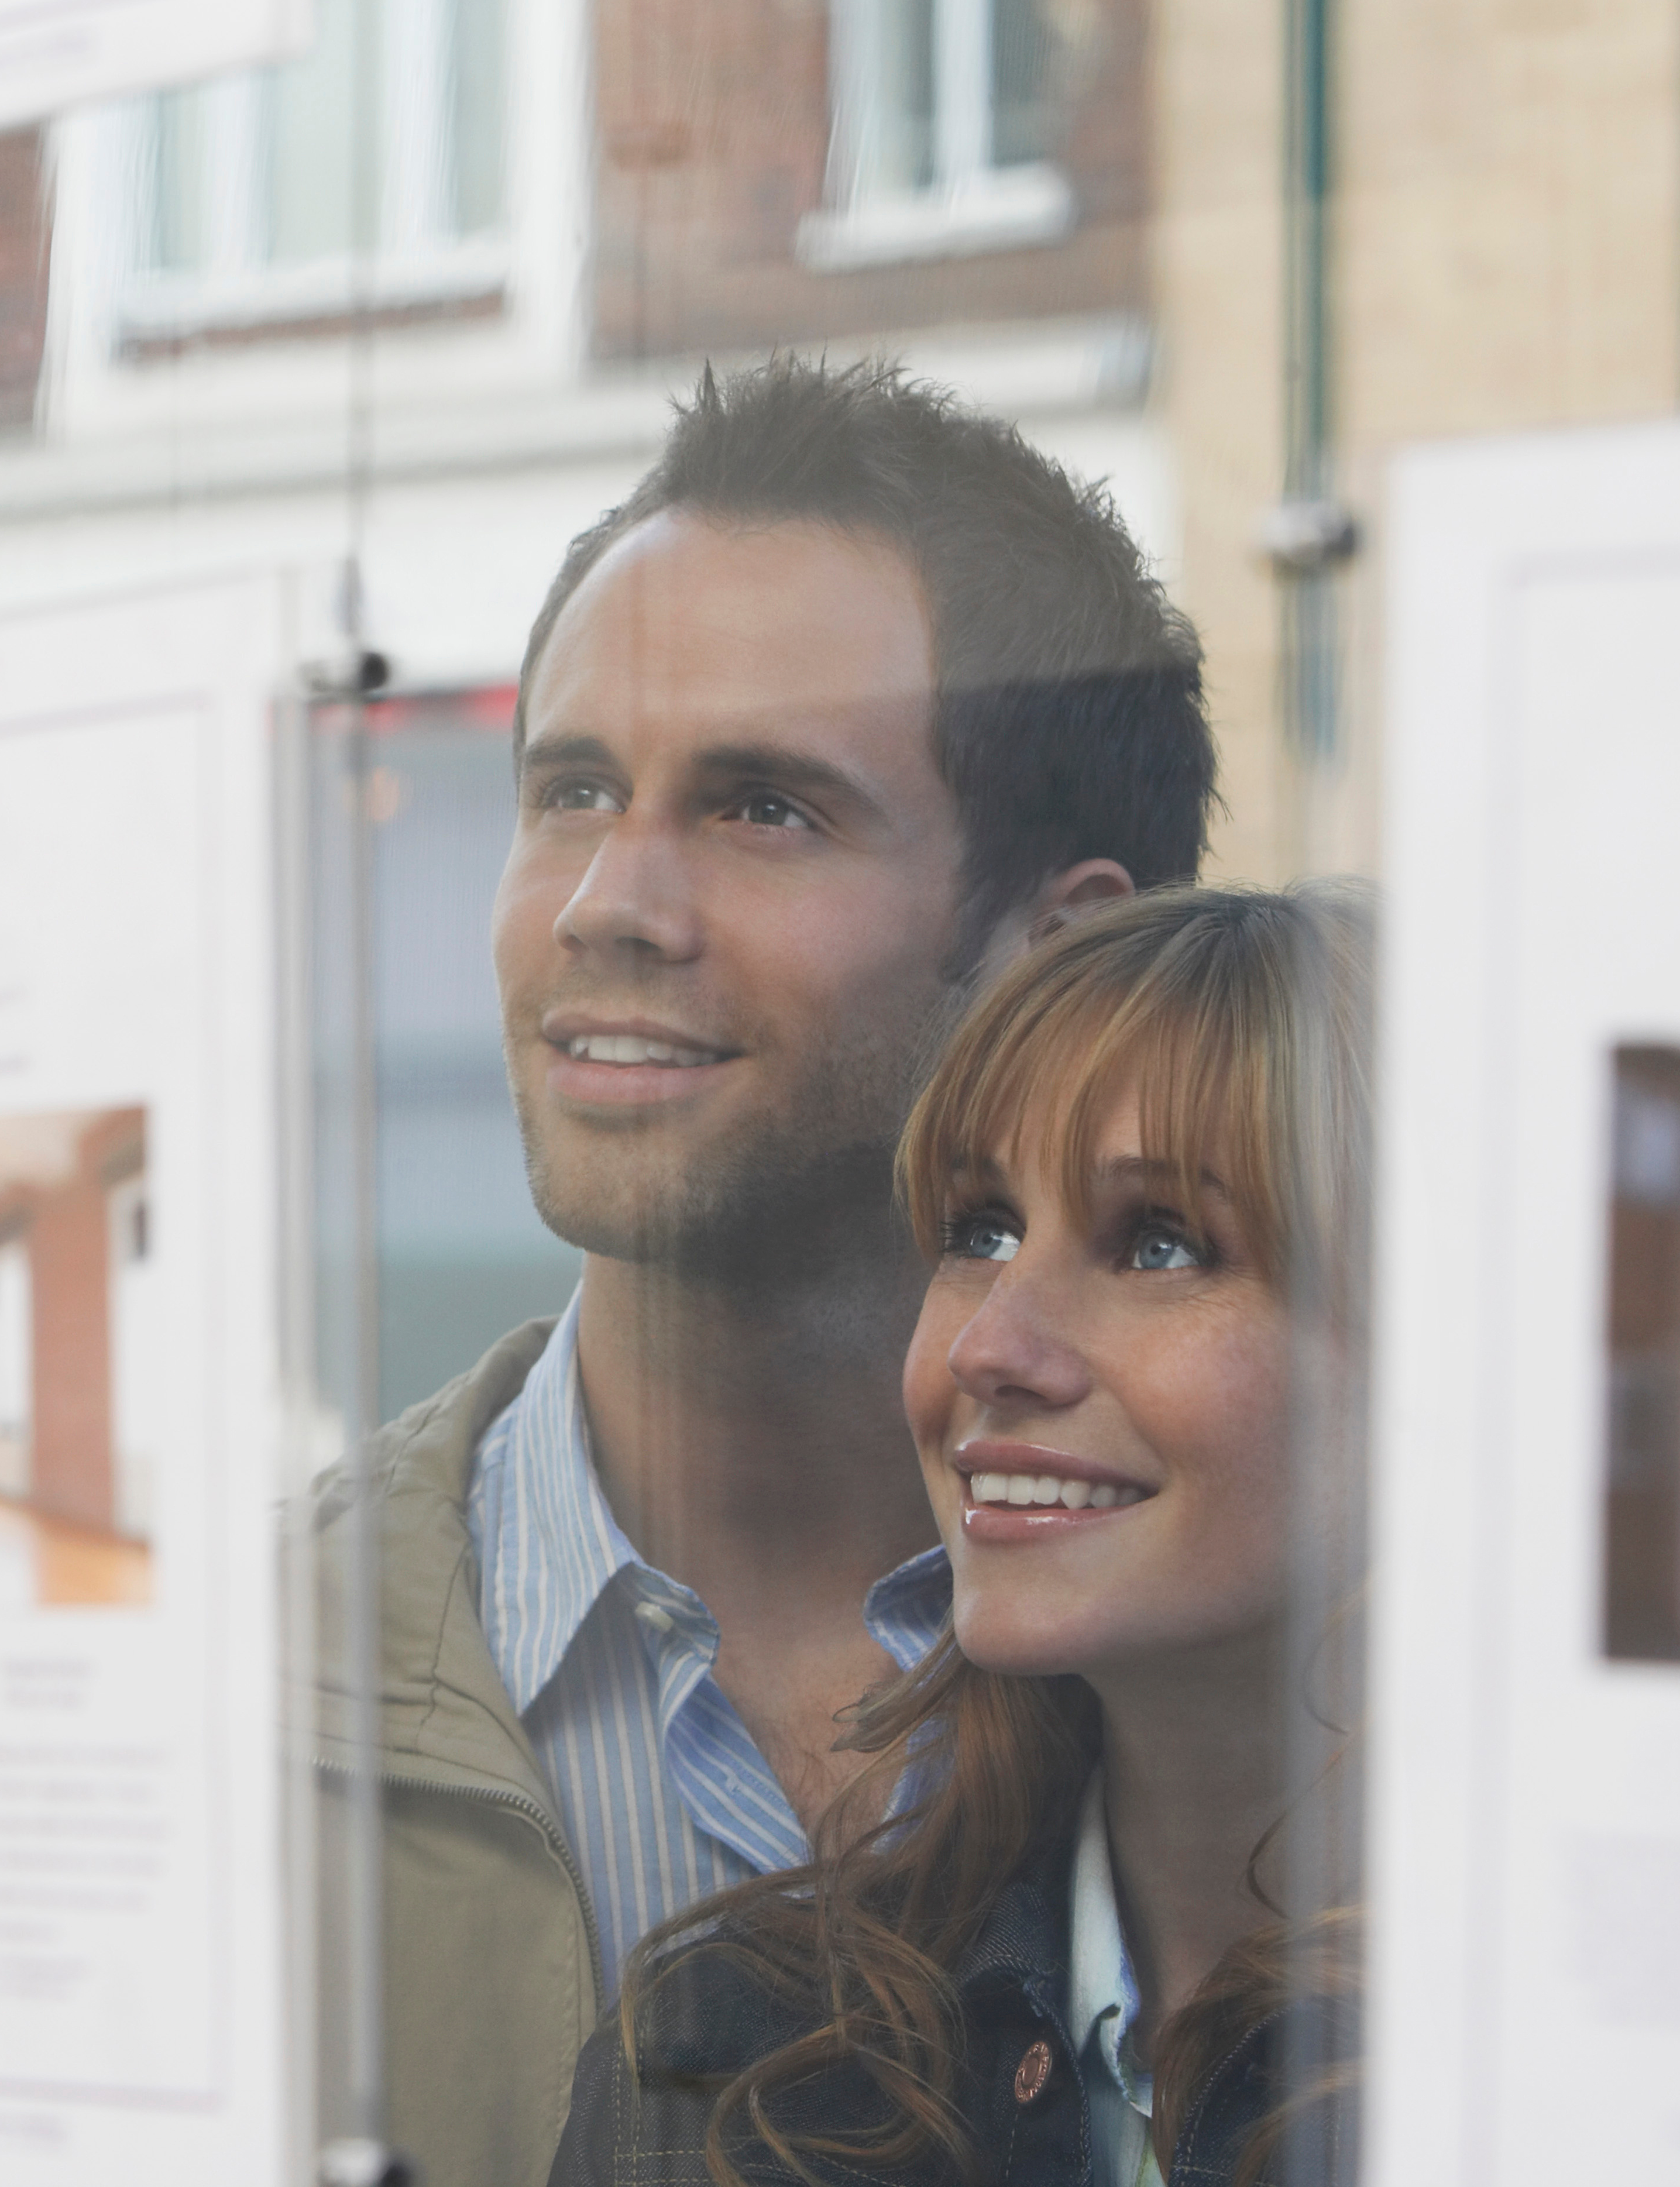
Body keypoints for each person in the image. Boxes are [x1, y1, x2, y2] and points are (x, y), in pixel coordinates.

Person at [309, 356, 1213, 2187]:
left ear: (1060, 954)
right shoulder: (233, 1694)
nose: (606, 903)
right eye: (572, 788)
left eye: (762, 808)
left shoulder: (1295, 1686)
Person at [545, 882, 1372, 2187]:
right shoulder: (737, 2064)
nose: (990, 1346)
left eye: (1159, 1244)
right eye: (979, 1233)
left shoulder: (1625, 2059)